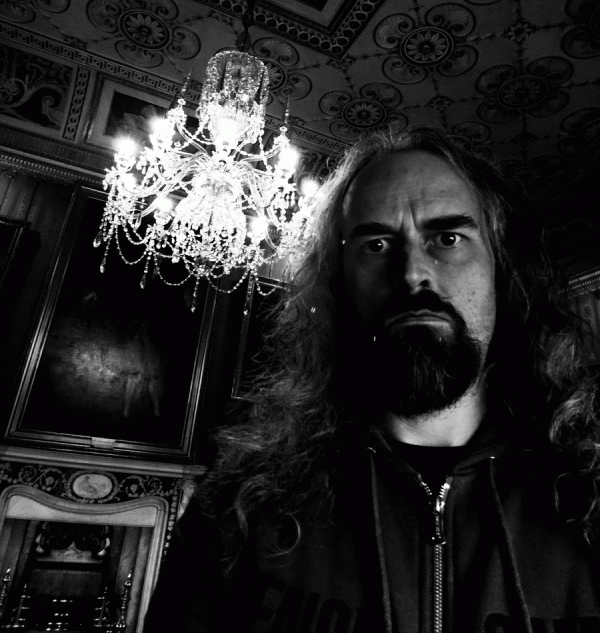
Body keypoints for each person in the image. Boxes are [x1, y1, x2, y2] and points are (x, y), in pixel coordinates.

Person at [144, 127, 600, 633]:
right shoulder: (237, 505)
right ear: (338, 282)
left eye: (448, 239)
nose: (412, 274)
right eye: (377, 245)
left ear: (501, 269)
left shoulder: (589, 495)